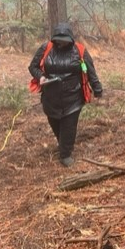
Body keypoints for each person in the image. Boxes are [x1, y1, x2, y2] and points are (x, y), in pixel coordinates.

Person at [28, 23, 103, 167]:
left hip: (73, 98)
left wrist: (97, 88)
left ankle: (66, 154)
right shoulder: (46, 48)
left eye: (64, 40)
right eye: (59, 39)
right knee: (55, 123)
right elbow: (33, 66)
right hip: (51, 98)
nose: (61, 43)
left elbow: (90, 70)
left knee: (69, 125)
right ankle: (63, 144)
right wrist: (41, 77)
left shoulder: (80, 51)